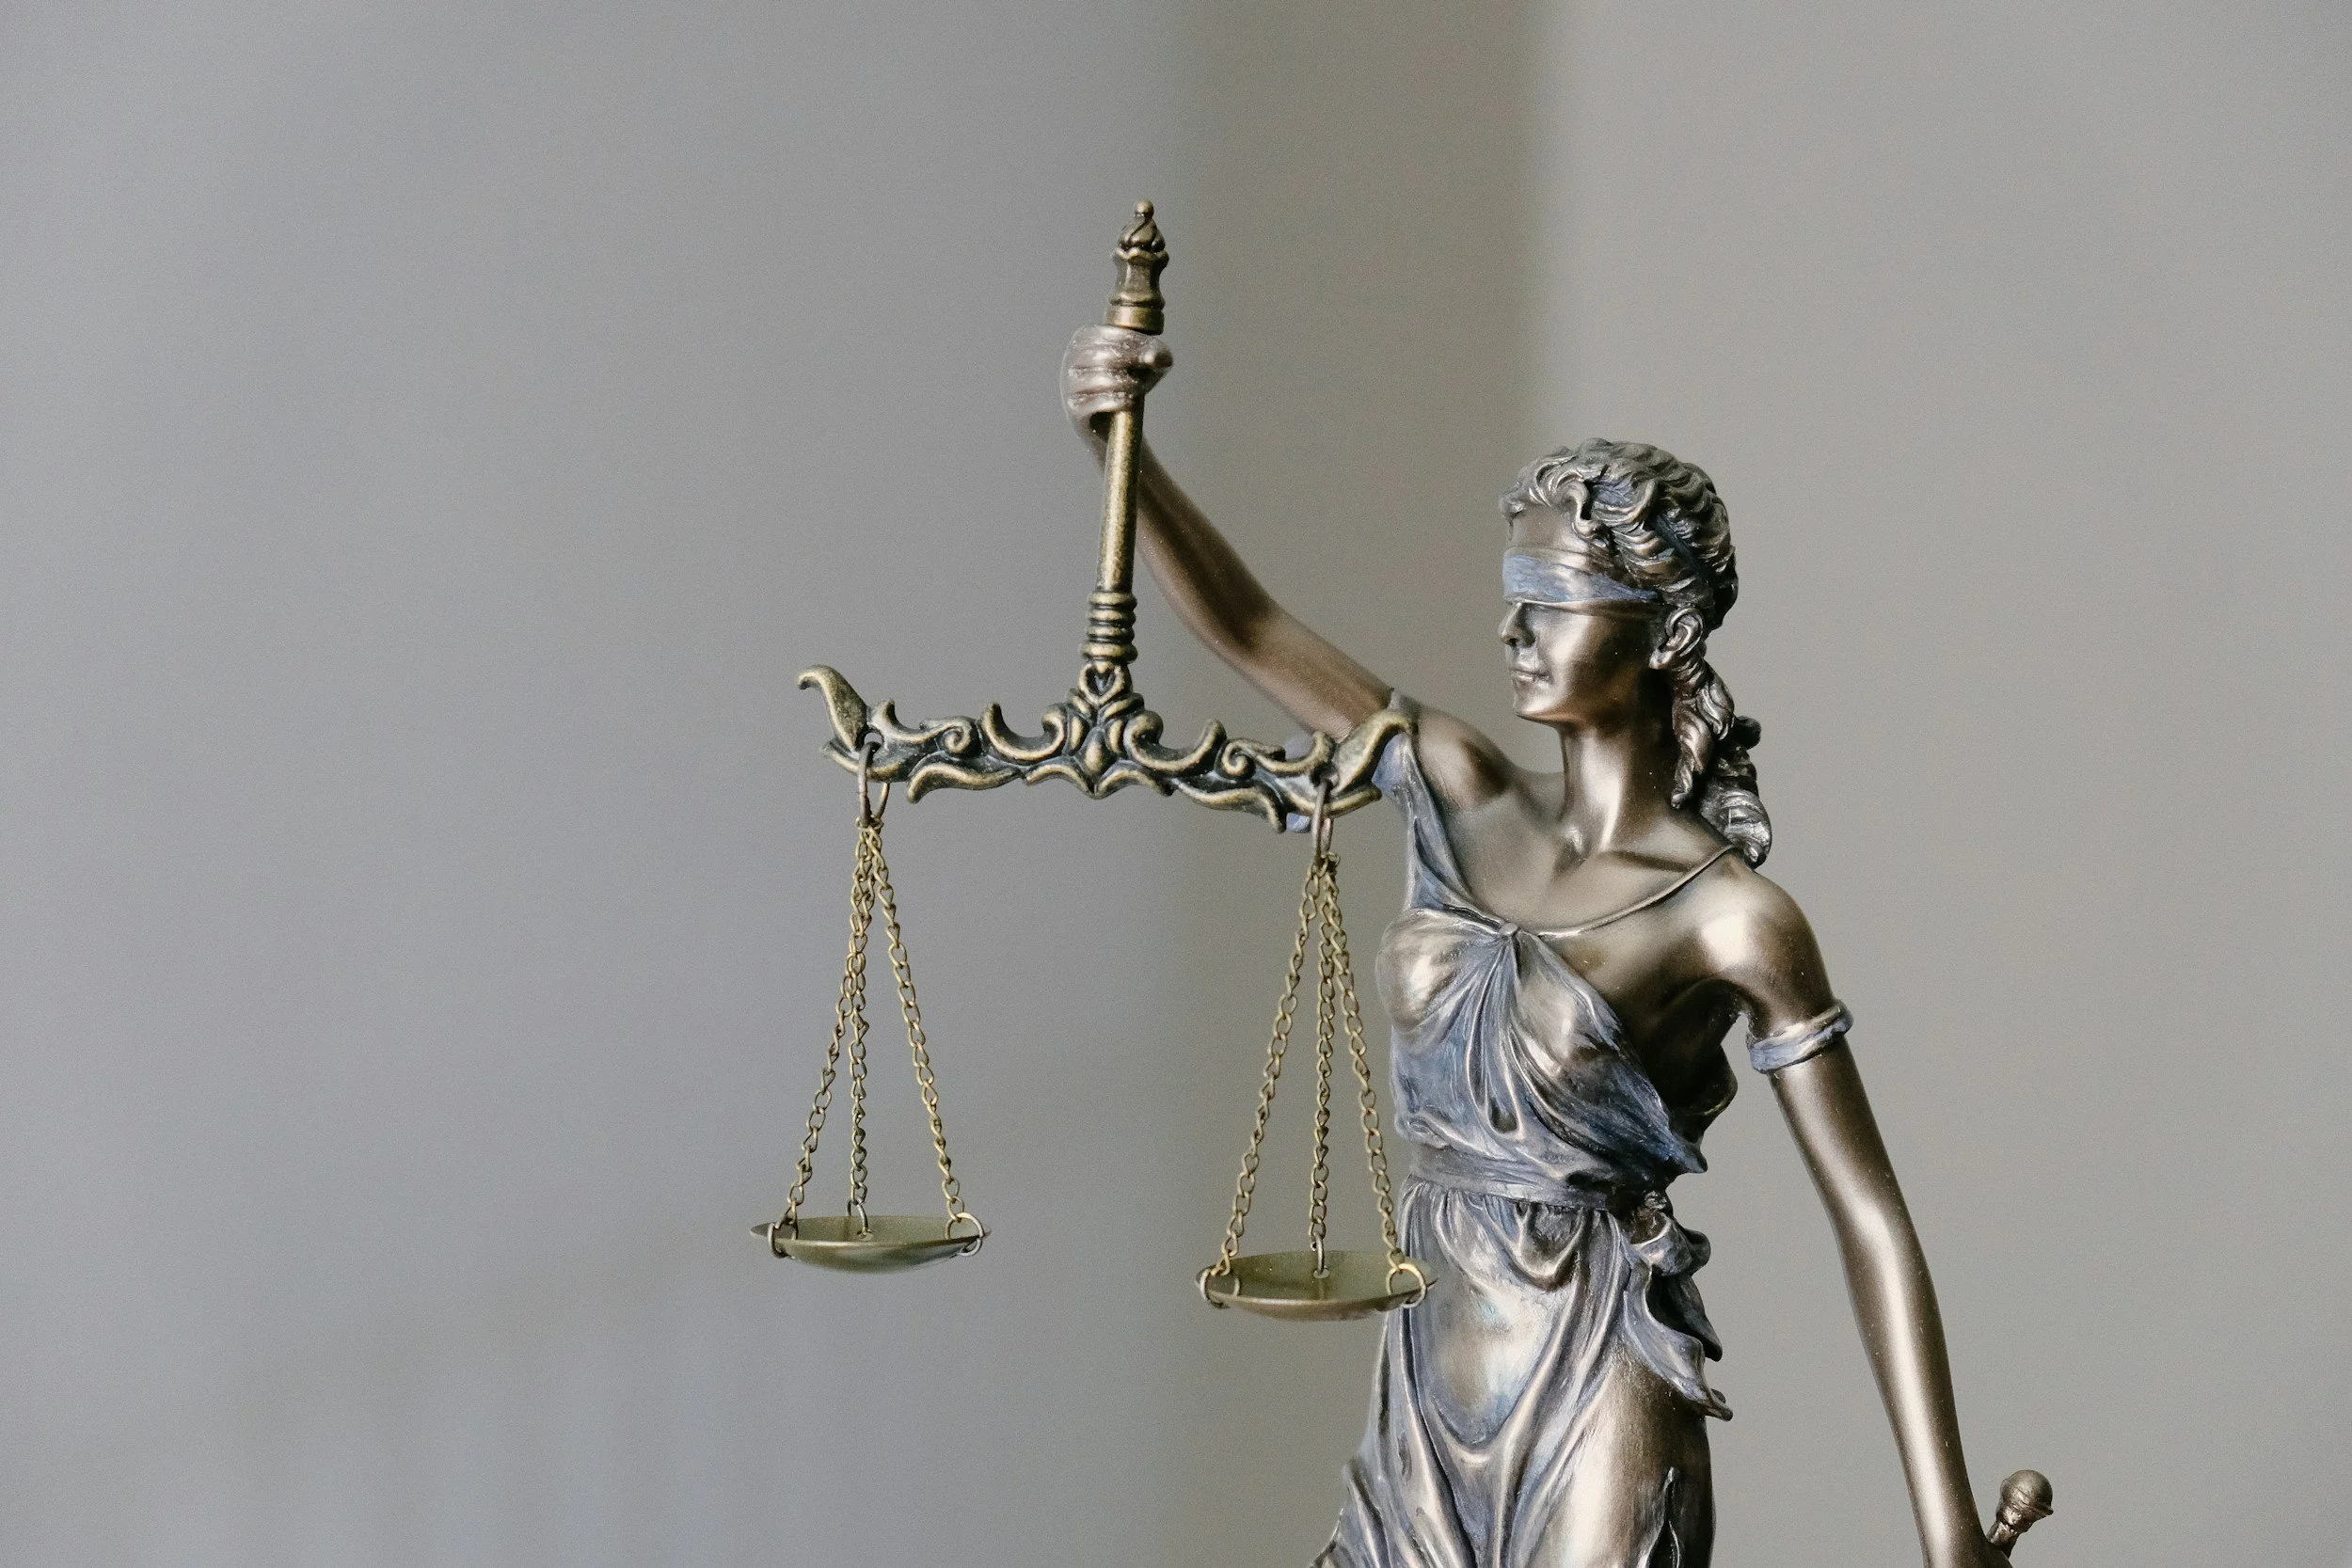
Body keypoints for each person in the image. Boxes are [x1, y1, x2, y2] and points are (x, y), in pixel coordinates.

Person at [1064, 325, 2016, 1568]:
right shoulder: (1458, 789)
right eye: (1512, 599)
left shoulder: (1732, 916)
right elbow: (1248, 625)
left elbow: (1871, 1218)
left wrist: (1949, 1530)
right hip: (1426, 1381)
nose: (1515, 632)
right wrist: (1119, 450)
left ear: (1663, 633)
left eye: (1553, 602)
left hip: (1604, 1377)